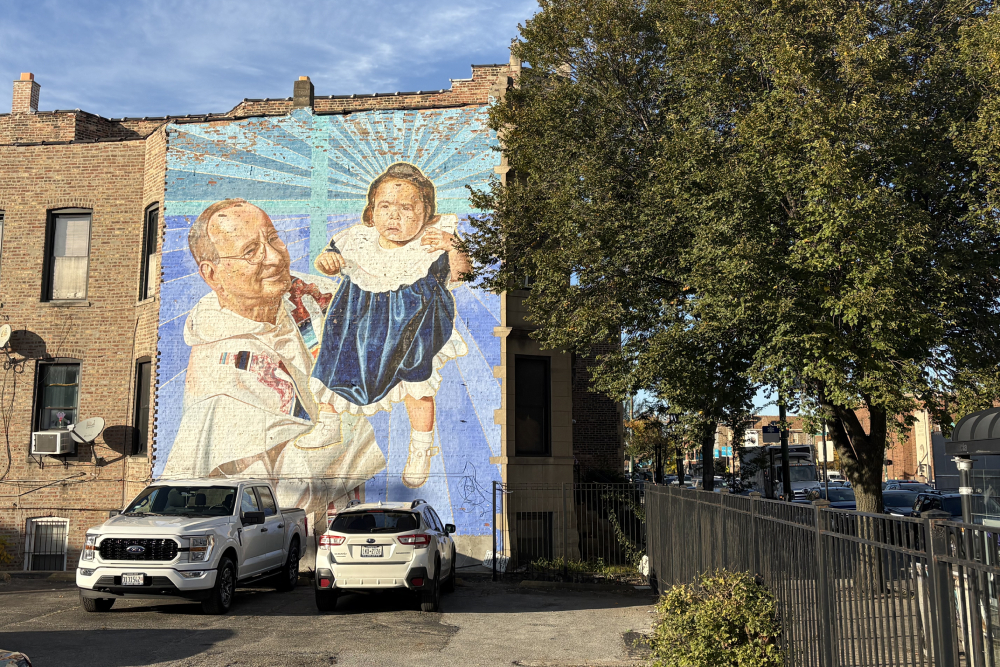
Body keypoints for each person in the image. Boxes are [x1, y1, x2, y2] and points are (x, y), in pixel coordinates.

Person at [161, 199, 385, 518]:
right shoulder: (222, 366)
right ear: (213, 275)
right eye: (251, 251)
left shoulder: (305, 297)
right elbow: (285, 495)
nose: (276, 257)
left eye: (274, 238)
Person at [310, 163, 470, 488]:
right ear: (371, 212)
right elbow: (328, 259)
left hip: (412, 324)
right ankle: (327, 422)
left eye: (407, 208)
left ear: (427, 214)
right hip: (357, 325)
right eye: (385, 206)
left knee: (418, 383)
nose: (394, 216)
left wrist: (453, 247)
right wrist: (326, 263)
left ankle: (421, 447)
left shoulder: (430, 243)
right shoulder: (358, 239)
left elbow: (461, 275)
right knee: (333, 363)